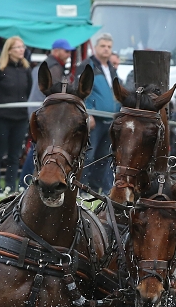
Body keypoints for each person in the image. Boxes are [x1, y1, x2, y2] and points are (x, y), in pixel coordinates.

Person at [21, 39, 72, 187]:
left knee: (37, 150)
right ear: (56, 51)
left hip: (41, 113)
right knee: (37, 151)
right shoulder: (53, 68)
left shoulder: (48, 66)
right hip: (44, 115)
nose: (68, 54)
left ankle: (24, 183)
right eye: (66, 51)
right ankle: (24, 183)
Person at [76, 33, 120, 194]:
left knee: (104, 156)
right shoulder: (87, 66)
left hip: (110, 119)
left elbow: (116, 91)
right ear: (95, 47)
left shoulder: (111, 68)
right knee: (88, 156)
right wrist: (87, 113)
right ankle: (81, 189)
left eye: (109, 47)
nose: (106, 49)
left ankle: (95, 189)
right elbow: (81, 91)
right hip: (94, 118)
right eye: (103, 46)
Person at [0, 36, 32, 195]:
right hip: (1, 117)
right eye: (18, 47)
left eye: (22, 46)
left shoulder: (26, 70)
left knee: (15, 155)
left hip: (20, 118)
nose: (22, 50)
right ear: (10, 50)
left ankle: (10, 186)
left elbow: (28, 92)